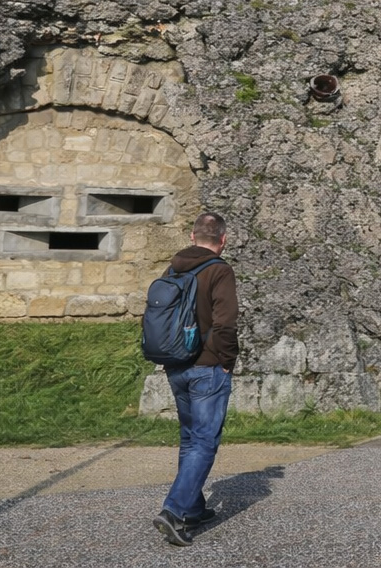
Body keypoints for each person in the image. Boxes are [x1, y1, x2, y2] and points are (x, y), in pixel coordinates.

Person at [152, 211, 238, 547]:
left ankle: (194, 508)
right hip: (208, 368)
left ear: (192, 236)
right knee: (204, 441)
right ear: (223, 239)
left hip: (176, 365)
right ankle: (174, 511)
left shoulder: (172, 269)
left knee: (190, 439)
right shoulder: (220, 270)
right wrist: (227, 361)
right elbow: (225, 323)